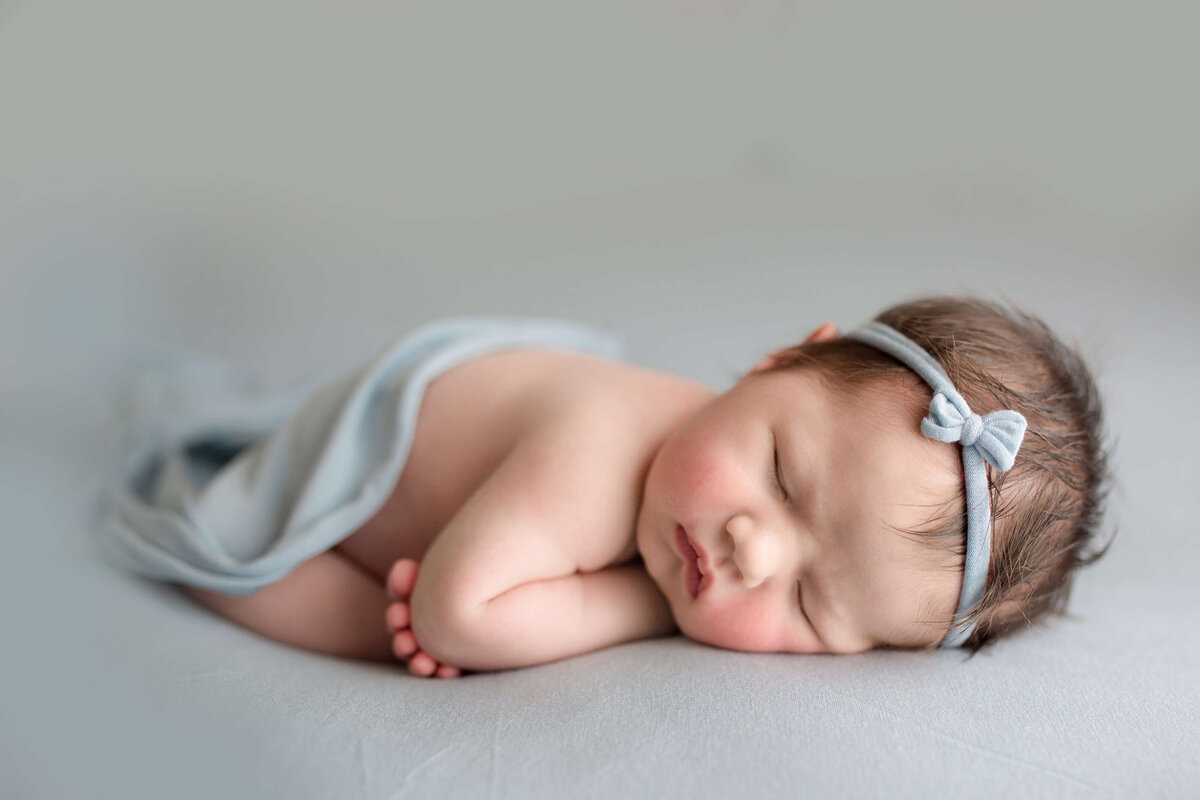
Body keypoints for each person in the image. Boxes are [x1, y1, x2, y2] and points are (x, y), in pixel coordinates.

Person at [102, 297, 1111, 678]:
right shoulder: (598, 454)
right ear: (775, 359)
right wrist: (636, 602)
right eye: (780, 475)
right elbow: (457, 612)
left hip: (473, 448)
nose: (755, 551)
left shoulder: (685, 478)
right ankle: (221, 541)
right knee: (368, 621)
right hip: (366, 450)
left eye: (809, 601)